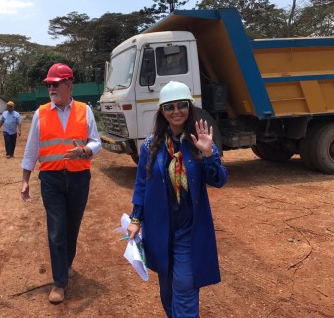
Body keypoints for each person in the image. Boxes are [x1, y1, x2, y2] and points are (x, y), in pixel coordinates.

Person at [126, 81, 227, 318]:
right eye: (169, 106)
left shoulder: (199, 142)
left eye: (182, 105)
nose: (176, 111)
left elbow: (219, 179)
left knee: (184, 284)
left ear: (190, 107)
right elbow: (142, 184)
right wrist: (135, 218)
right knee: (168, 289)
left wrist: (209, 154)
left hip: (188, 229)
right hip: (160, 227)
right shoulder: (152, 145)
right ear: (162, 111)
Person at [21, 63, 101, 304]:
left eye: (55, 84)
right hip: (51, 179)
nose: (51, 88)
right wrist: (25, 179)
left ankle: (65, 264)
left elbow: (96, 142)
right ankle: (59, 282)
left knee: (72, 227)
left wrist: (85, 150)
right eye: (49, 85)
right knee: (56, 230)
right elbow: (32, 148)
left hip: (78, 178)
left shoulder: (85, 111)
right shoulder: (41, 112)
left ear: (68, 86)